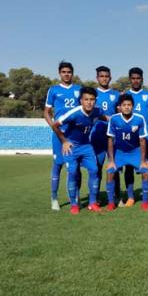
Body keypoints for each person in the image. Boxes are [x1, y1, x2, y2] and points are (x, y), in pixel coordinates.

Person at [52, 86, 106, 214]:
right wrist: (64, 141)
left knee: (94, 170)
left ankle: (92, 203)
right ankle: (74, 205)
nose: (89, 102)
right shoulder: (74, 113)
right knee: (72, 172)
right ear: (81, 100)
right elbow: (55, 125)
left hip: (86, 146)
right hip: (72, 147)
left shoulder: (97, 111)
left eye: (92, 99)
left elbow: (104, 117)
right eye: (86, 99)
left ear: (95, 100)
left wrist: (116, 120)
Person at [43, 61, 81, 211]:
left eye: (69, 72)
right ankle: (54, 198)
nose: (66, 74)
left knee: (75, 167)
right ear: (60, 73)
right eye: (64, 72)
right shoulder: (53, 90)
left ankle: (75, 197)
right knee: (58, 165)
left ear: (72, 73)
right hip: (59, 134)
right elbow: (46, 112)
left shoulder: (79, 89)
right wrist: (53, 126)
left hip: (75, 134)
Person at [106, 94, 148, 211]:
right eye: (124, 105)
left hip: (135, 151)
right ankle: (111, 202)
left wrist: (143, 161)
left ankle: (145, 201)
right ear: (120, 107)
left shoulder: (139, 119)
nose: (126, 107)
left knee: (146, 171)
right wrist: (111, 161)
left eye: (129, 105)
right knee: (110, 171)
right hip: (119, 152)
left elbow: (142, 140)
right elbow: (110, 139)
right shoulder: (114, 119)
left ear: (133, 106)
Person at [122, 67, 148, 207]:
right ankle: (130, 197)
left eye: (138, 78)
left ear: (142, 79)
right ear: (130, 79)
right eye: (133, 78)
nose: (136, 81)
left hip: (145, 136)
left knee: (146, 166)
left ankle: (147, 196)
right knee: (128, 167)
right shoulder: (124, 96)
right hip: (128, 137)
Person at [90, 66, 120, 203]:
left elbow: (120, 114)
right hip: (97, 135)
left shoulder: (116, 94)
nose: (104, 79)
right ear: (97, 78)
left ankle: (116, 196)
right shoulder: (92, 94)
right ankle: (95, 197)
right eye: (101, 76)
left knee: (114, 166)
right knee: (97, 167)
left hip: (113, 136)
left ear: (110, 78)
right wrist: (103, 117)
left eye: (106, 76)